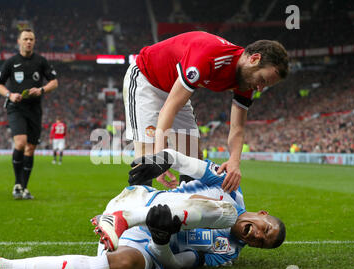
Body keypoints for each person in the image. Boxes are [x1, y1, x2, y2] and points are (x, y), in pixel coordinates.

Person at [0, 150, 286, 269]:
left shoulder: (225, 253)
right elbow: (187, 162)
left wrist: (160, 241)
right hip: (142, 200)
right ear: (263, 214)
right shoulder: (231, 189)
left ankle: (1, 266)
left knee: (114, 268)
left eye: (261, 242)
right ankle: (125, 218)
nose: (257, 235)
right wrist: (163, 160)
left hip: (149, 240)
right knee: (227, 212)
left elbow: (176, 264)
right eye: (264, 229)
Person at [124, 31, 289, 191]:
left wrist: (234, 162)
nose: (259, 89)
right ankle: (133, 213)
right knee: (147, 154)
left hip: (175, 89)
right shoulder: (209, 56)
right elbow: (170, 107)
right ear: (254, 59)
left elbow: (237, 127)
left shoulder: (247, 81)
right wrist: (160, 157)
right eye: (262, 80)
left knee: (192, 158)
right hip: (146, 79)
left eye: (265, 85)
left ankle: (185, 212)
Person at [0, 29, 58, 200]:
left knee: (30, 148)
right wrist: (10, 94)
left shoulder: (41, 61)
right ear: (19, 41)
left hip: (35, 110)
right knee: (20, 143)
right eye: (25, 39)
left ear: (34, 42)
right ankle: (17, 183)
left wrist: (42, 89)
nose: (28, 42)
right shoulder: (11, 62)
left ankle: (24, 187)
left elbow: (54, 81)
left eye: (31, 39)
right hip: (16, 107)